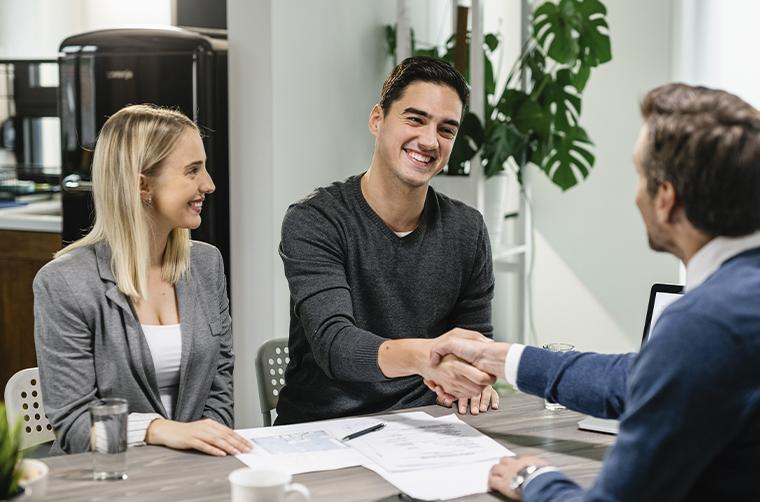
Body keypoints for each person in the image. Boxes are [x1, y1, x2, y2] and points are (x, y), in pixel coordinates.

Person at [429, 84, 760, 501]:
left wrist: (534, 479)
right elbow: (638, 378)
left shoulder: (706, 324)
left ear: (666, 198)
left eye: (639, 175)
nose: (636, 194)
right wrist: (496, 356)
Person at [275, 56, 497, 425]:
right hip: (324, 430)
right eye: (415, 119)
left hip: (428, 425)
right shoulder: (315, 221)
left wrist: (476, 376)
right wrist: (428, 357)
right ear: (377, 119)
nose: (429, 141)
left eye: (447, 130)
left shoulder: (467, 229)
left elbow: (474, 342)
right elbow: (337, 346)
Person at [34, 104, 252, 457]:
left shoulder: (206, 264)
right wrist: (159, 430)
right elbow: (74, 428)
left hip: (198, 473)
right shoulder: (65, 282)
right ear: (141, 184)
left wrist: (198, 460)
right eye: (192, 170)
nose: (208, 184)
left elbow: (220, 387)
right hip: (108, 480)